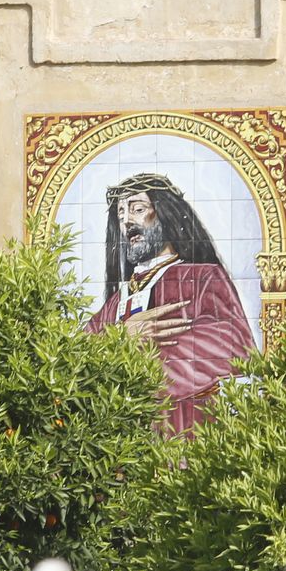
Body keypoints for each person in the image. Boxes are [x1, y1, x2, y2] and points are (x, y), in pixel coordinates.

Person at [84, 172, 255, 436]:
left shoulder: (203, 277)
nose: (127, 221)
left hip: (187, 433)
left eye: (138, 209)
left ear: (165, 213)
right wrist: (119, 338)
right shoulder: (119, 300)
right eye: (120, 214)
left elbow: (232, 345)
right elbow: (78, 355)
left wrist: (138, 359)